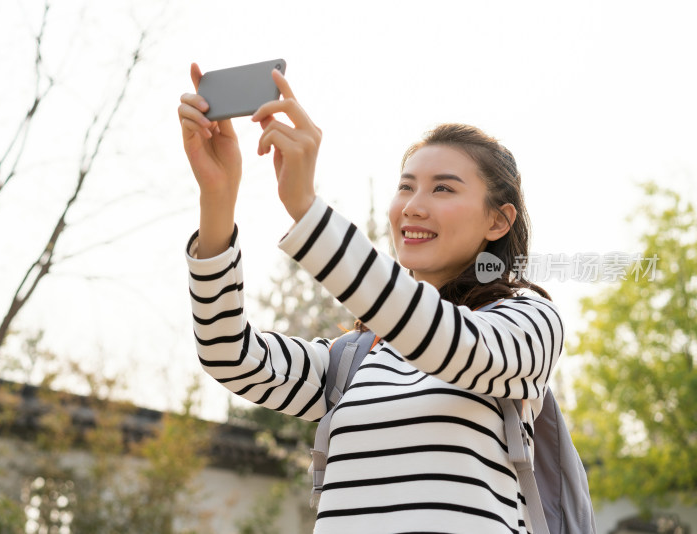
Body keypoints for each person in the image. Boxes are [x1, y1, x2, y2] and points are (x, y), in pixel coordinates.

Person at [178, 63, 562, 534]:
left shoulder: (527, 323)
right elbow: (229, 355)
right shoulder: (353, 362)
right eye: (406, 186)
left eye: (443, 188)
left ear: (498, 222)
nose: (413, 205)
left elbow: (444, 340)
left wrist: (307, 209)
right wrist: (217, 196)